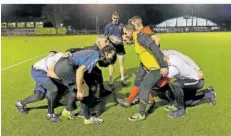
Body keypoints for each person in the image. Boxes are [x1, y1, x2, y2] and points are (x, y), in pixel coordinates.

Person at [48, 46, 116, 124]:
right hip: (66, 68)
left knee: (78, 88)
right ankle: (87, 118)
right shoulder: (96, 56)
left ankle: (68, 111)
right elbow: (79, 71)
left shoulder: (94, 53)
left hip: (60, 67)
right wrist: (80, 90)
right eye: (112, 55)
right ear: (106, 53)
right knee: (84, 91)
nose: (112, 57)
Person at [122, 23, 168, 122]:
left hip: (157, 68)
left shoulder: (140, 36)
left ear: (130, 31)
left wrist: (163, 66)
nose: (124, 35)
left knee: (144, 87)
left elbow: (155, 48)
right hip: (152, 68)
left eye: (125, 33)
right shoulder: (136, 37)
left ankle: (141, 114)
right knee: (147, 86)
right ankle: (170, 101)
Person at [15, 51, 69, 122]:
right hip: (39, 73)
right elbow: (53, 73)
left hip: (42, 71)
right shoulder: (61, 59)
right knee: (53, 89)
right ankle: (50, 115)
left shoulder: (61, 58)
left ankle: (20, 104)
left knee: (39, 96)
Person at [163, 52, 216, 118]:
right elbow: (186, 58)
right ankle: (208, 93)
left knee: (175, 84)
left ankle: (181, 111)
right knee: (188, 103)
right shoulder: (171, 55)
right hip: (187, 81)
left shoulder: (173, 68)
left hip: (196, 81)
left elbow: (163, 82)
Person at [104, 11, 127, 86]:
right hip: (111, 47)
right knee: (111, 63)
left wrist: (123, 39)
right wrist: (109, 39)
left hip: (120, 46)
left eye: (116, 18)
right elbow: (105, 37)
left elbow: (124, 34)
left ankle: (122, 79)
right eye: (114, 18)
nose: (115, 19)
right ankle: (111, 78)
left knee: (121, 63)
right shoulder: (108, 26)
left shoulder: (121, 25)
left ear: (118, 18)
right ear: (112, 17)